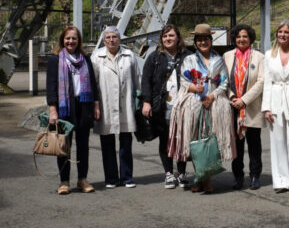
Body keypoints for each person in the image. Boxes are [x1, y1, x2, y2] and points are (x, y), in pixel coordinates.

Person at [178, 23, 234, 193]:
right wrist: (195, 89)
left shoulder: (219, 60)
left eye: (206, 39)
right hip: (195, 104)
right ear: (195, 42)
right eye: (199, 39)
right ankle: (200, 177)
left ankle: (206, 180)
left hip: (214, 103)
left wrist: (211, 96)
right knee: (196, 141)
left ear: (211, 40)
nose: (203, 42)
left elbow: (224, 81)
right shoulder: (189, 60)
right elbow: (184, 80)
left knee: (210, 140)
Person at [46, 26, 100, 195]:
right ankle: (64, 181)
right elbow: (51, 86)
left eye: (74, 38)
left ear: (79, 41)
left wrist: (96, 106)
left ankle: (82, 179)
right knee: (64, 146)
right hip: (65, 107)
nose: (71, 41)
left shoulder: (85, 59)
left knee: (83, 145)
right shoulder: (56, 60)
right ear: (63, 40)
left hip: (84, 105)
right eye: (68, 38)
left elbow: (93, 83)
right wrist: (53, 109)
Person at [141, 24, 192, 189]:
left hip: (184, 104)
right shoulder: (154, 57)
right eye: (165, 36)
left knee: (183, 140)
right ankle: (169, 173)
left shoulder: (188, 56)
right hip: (163, 106)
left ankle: (182, 173)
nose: (168, 39)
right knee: (166, 140)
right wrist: (146, 101)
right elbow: (146, 81)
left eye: (171, 35)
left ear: (178, 38)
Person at [262, 20, 289, 194]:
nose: (283, 35)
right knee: (278, 142)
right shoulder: (269, 54)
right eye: (280, 32)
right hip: (275, 100)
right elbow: (267, 81)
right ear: (276, 34)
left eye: (286, 32)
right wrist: (266, 108)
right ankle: (281, 181)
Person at [92, 26, 140, 188]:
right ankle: (111, 178)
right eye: (108, 37)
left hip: (125, 105)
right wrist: (95, 105)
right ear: (104, 40)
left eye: (114, 37)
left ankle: (127, 177)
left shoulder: (129, 56)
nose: (111, 40)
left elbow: (137, 80)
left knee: (126, 143)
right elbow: (93, 83)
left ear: (120, 39)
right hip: (105, 104)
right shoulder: (97, 56)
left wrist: (140, 102)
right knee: (107, 143)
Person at [223, 24, 265, 190]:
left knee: (254, 145)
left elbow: (262, 81)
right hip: (232, 107)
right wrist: (233, 97)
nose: (241, 39)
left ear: (251, 39)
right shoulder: (227, 56)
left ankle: (255, 175)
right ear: (234, 38)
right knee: (236, 146)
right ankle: (238, 176)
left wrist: (244, 100)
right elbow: (222, 80)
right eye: (239, 36)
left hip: (251, 107)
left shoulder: (259, 57)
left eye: (245, 36)